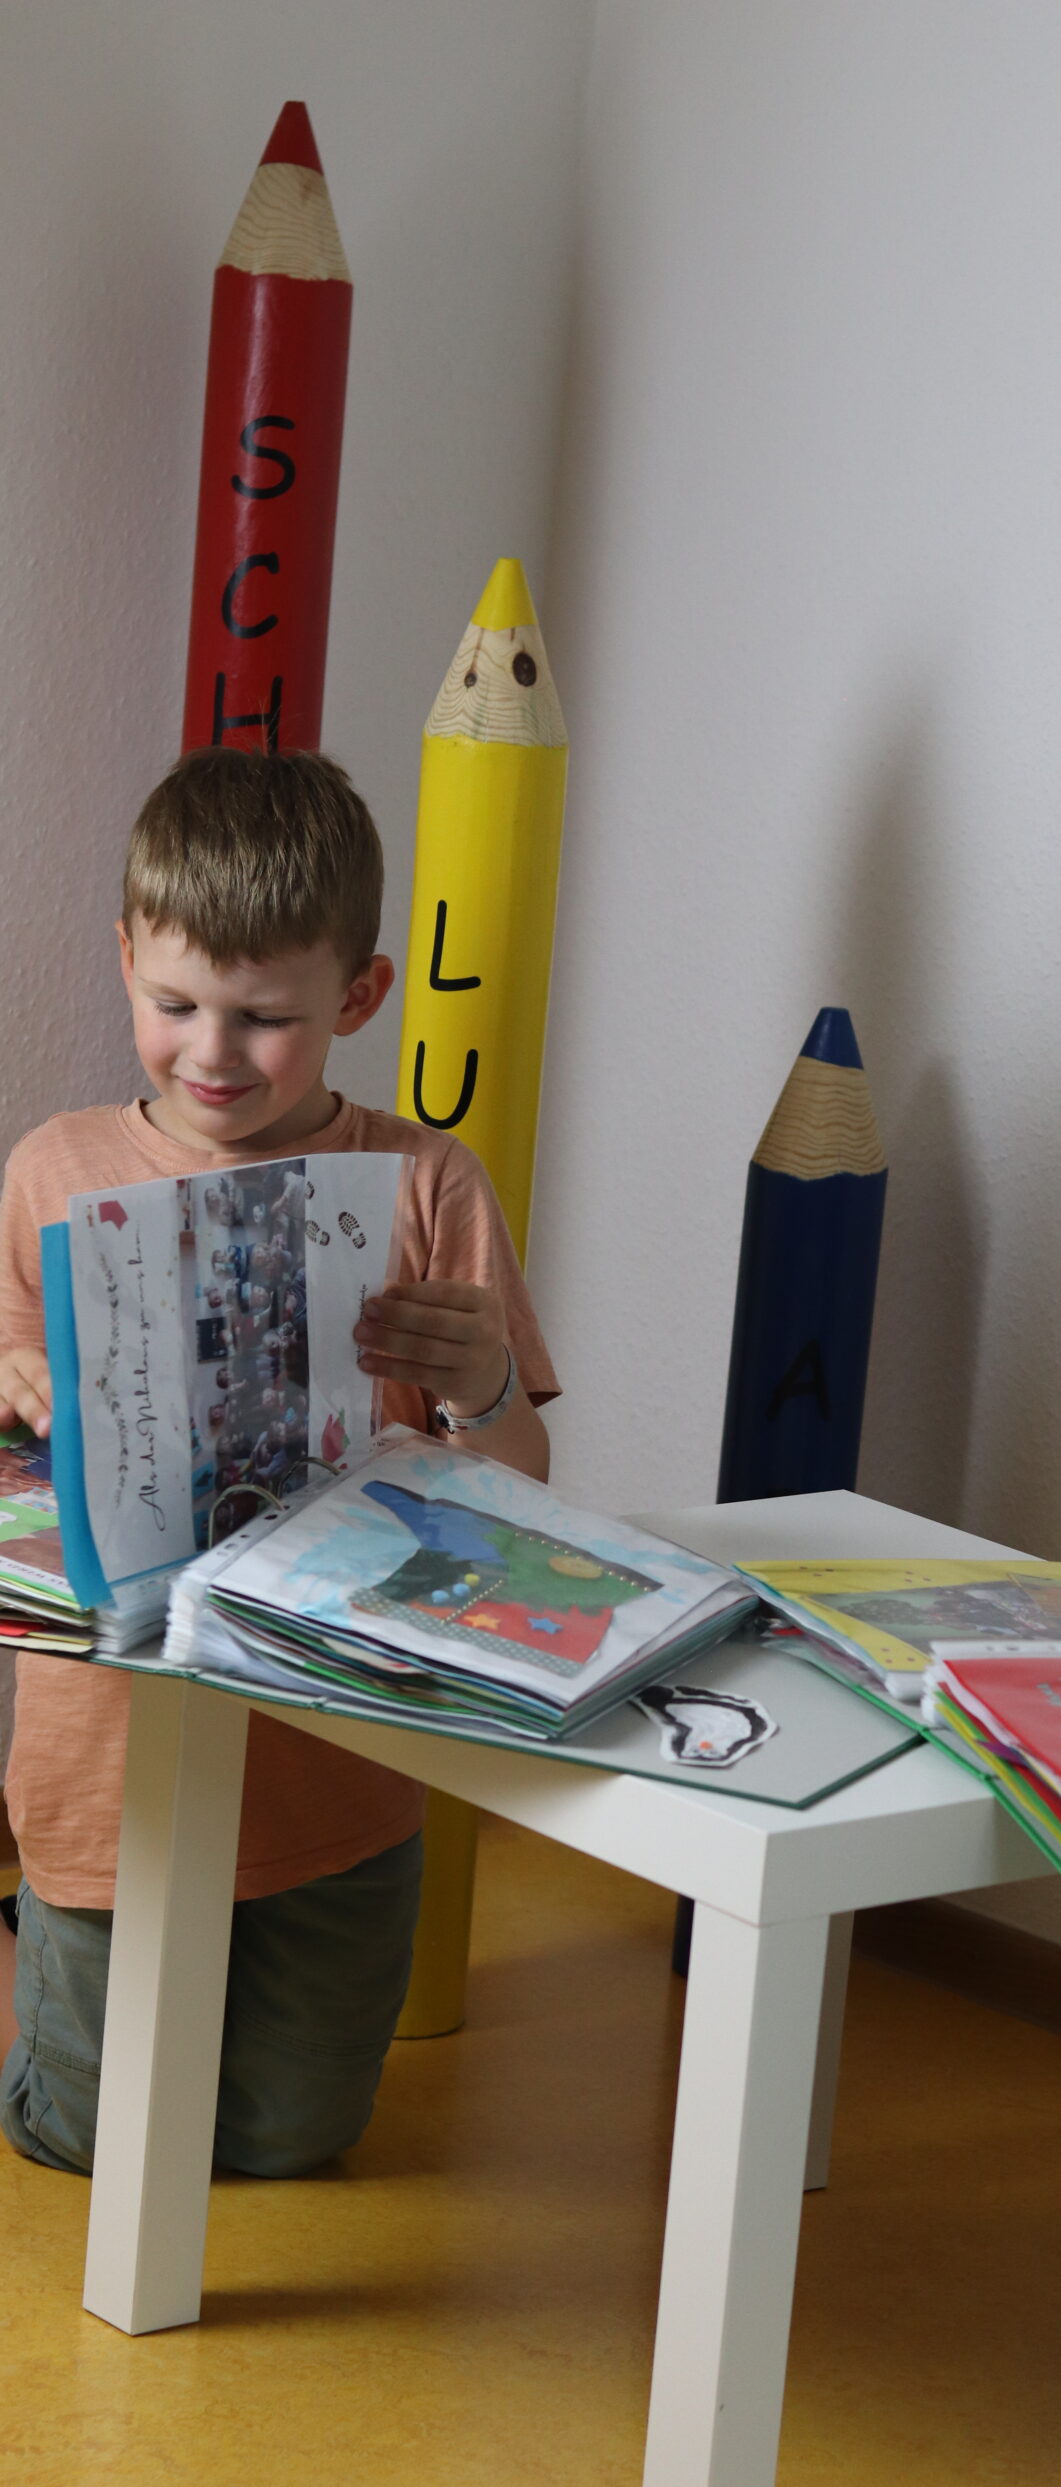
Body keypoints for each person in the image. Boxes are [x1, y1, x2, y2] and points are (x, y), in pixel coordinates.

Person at [0, 747, 558, 2178]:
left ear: (359, 999)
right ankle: (41, 1972)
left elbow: (520, 1488)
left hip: (335, 1763)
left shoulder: (427, 1181)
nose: (211, 1053)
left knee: (289, 2142)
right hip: (110, 1763)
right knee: (89, 2136)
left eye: (266, 1019)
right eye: (174, 1004)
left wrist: (484, 1383)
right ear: (125, 959)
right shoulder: (54, 1168)